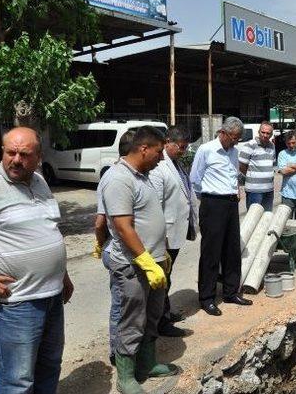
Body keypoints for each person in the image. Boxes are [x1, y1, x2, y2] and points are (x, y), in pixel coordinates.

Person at [0, 127, 74, 393]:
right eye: (10, 152)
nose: (16, 160)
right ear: (2, 152)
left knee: (49, 367)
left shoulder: (39, 182)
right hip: (15, 304)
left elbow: (47, 229)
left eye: (25, 154)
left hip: (52, 297)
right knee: (16, 381)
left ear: (38, 156)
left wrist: (62, 274)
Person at [101, 126, 178, 393]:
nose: (161, 158)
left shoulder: (142, 176)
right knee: (131, 319)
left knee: (152, 316)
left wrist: (161, 253)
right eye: (158, 152)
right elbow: (123, 226)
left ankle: (147, 363)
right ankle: (126, 377)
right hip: (132, 265)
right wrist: (146, 260)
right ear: (143, 149)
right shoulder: (118, 178)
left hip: (153, 261)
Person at [190, 117, 253, 317]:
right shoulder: (206, 150)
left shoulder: (234, 152)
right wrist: (209, 198)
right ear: (223, 133)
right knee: (211, 252)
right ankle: (207, 298)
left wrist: (234, 191)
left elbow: (233, 176)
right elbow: (195, 179)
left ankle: (230, 292)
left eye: (238, 138)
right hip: (212, 203)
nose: (236, 141)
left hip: (230, 203)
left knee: (232, 250)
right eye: (234, 137)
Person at [149, 126, 198, 337]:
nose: (184, 151)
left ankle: (164, 313)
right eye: (181, 147)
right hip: (165, 235)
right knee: (163, 279)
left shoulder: (176, 164)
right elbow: (155, 206)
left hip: (177, 230)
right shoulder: (159, 168)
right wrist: (158, 238)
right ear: (168, 142)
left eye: (186, 148)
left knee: (167, 277)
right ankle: (161, 322)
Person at [94, 129, 135, 365]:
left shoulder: (121, 175)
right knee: (121, 304)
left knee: (125, 304)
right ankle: (116, 351)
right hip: (119, 251)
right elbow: (100, 222)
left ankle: (123, 348)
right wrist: (101, 243)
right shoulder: (115, 178)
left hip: (115, 247)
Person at [239, 121, 275, 211]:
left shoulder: (272, 146)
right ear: (259, 132)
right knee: (253, 217)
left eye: (268, 133)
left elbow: (272, 165)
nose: (265, 135)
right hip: (254, 190)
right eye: (263, 132)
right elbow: (242, 167)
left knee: (267, 217)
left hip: (269, 190)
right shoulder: (250, 145)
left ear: (271, 135)